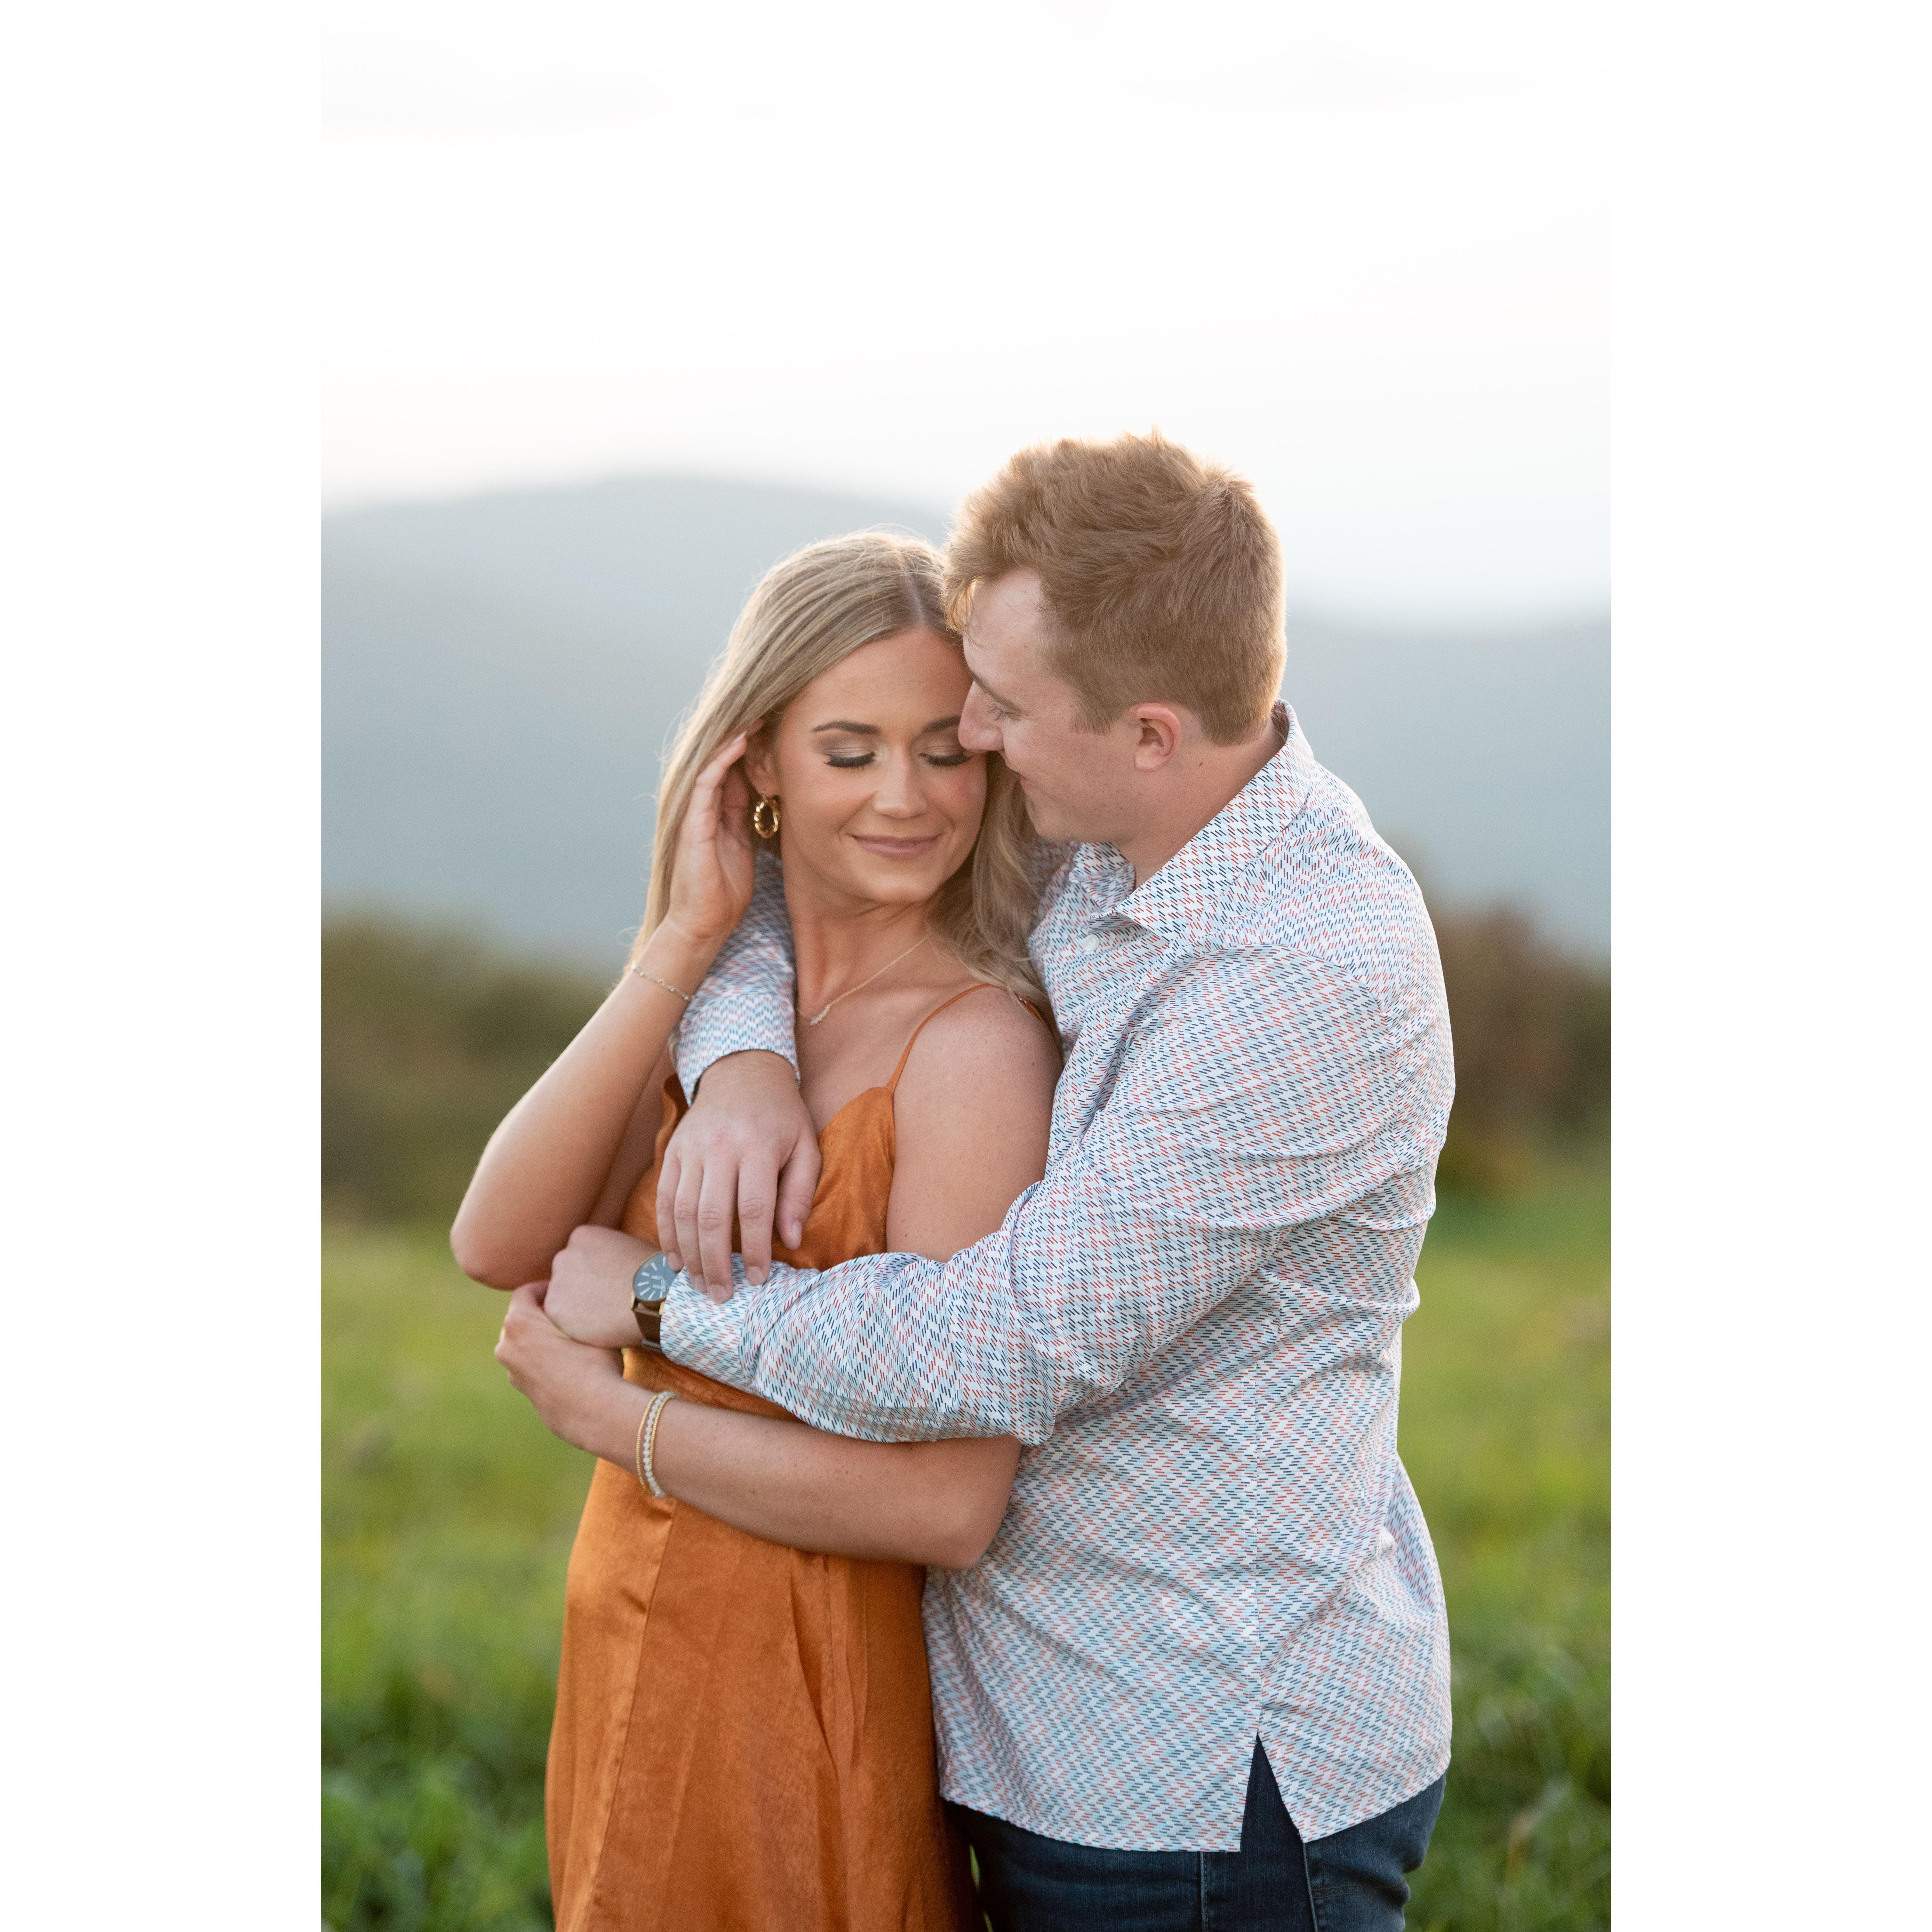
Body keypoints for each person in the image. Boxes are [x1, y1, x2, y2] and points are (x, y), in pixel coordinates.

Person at [549, 433, 1458, 1930]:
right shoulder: (1113, 840)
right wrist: (741, 1067)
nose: (967, 733)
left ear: (1151, 730)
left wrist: (654, 1309)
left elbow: (999, 1345)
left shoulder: (1308, 977)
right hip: (1022, 1725)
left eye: (1001, 709)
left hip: (1203, 1776)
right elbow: (803, 880)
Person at [453, 531, 1061, 1932]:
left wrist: (609, 1421)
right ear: (759, 768)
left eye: (944, 750)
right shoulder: (722, 1004)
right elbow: (498, 1238)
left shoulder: (972, 1051)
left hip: (810, 1663)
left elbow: (948, 1504)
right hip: (628, 1624)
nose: (905, 798)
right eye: (848, 750)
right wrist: (679, 944)